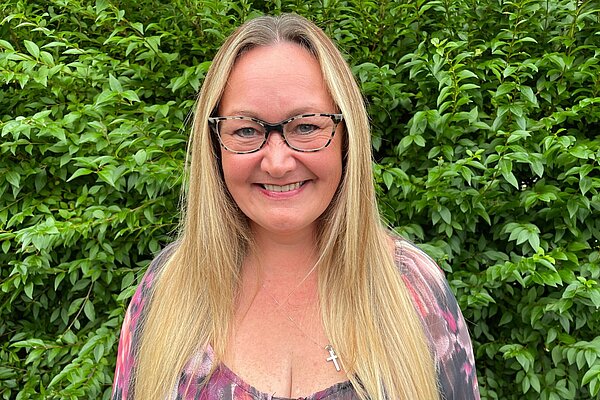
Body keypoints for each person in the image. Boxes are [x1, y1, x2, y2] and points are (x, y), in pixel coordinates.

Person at [111, 13, 479, 400]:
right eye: (247, 130)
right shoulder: (166, 290)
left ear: (346, 137)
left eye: (305, 127)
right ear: (215, 145)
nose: (277, 162)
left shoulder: (413, 290)